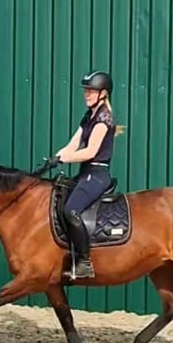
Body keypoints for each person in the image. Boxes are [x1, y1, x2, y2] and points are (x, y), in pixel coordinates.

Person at [50, 70, 118, 279]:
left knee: (71, 209)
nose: (87, 94)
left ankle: (84, 261)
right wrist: (55, 157)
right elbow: (73, 144)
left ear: (103, 93)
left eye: (91, 91)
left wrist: (65, 159)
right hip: (85, 173)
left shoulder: (104, 118)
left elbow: (90, 152)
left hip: (97, 174)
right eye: (86, 90)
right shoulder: (89, 116)